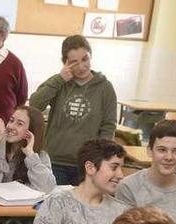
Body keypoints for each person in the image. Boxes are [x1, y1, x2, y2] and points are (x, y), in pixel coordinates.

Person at [29, 35, 117, 186]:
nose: (82, 66)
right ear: (65, 63)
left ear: (91, 57)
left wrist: (102, 158)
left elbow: (108, 125)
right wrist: (59, 79)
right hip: (54, 160)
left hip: (87, 163)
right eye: (74, 62)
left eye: (85, 59)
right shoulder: (59, 82)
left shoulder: (104, 87)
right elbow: (34, 106)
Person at [3, 105, 56, 192]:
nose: (11, 126)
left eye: (19, 124)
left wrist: (30, 154)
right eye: (11, 120)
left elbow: (48, 188)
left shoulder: (40, 156)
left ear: (31, 131)